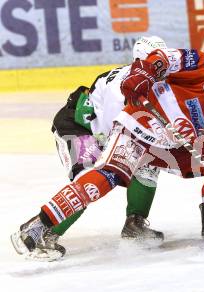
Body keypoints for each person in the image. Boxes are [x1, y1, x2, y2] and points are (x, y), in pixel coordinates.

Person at [11, 47, 204, 258]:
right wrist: (145, 72)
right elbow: (165, 58)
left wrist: (200, 140)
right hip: (136, 125)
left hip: (167, 147)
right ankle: (39, 225)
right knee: (104, 177)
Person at [29, 36, 168, 260]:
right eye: (157, 61)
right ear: (141, 60)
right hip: (78, 127)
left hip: (105, 131)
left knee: (148, 165)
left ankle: (135, 224)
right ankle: (42, 232)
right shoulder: (121, 85)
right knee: (90, 179)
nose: (163, 66)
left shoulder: (152, 81)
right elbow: (114, 127)